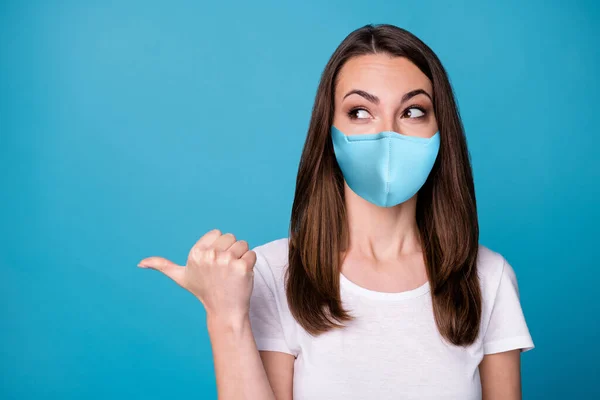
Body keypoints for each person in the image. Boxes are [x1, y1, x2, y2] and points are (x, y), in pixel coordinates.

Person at [137, 23, 534, 400]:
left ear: (439, 130)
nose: (388, 133)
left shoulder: (487, 277)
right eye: (360, 111)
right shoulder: (276, 274)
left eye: (413, 111)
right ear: (328, 132)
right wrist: (225, 315)